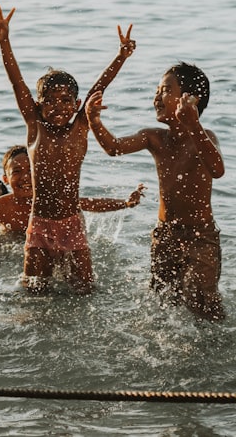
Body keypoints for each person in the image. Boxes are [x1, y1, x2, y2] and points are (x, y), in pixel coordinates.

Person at [0, 5, 136, 294]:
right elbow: (16, 81)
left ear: (76, 103)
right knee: (34, 290)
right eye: (51, 101)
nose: (59, 107)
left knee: (85, 290)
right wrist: (4, 41)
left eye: (66, 100)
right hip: (40, 222)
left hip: (71, 222)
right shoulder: (35, 127)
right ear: (38, 104)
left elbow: (101, 85)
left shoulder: (80, 126)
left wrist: (121, 57)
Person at [86, 62, 226, 321]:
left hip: (200, 238)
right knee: (164, 299)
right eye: (157, 90)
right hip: (165, 235)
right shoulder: (155, 138)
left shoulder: (204, 137)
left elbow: (217, 169)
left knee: (203, 304)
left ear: (189, 100)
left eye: (164, 90)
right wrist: (94, 121)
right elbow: (113, 147)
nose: (156, 97)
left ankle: (218, 348)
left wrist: (194, 125)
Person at [0, 145, 145, 250]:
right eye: (17, 172)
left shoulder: (52, 197)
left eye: (31, 170)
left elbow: (89, 203)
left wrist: (125, 203)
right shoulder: (0, 207)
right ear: (6, 178)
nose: (25, 178)